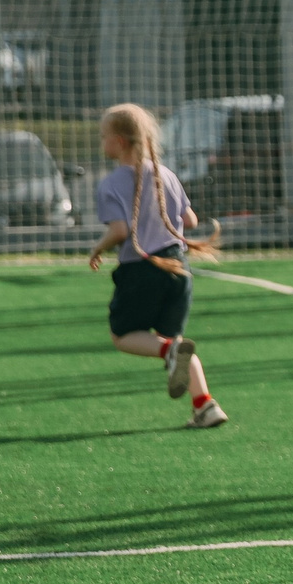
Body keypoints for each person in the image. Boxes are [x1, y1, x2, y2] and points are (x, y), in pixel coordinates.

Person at [87, 102, 228, 429]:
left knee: (123, 335)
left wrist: (97, 249)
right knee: (177, 342)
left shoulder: (110, 184)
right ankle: (205, 405)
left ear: (119, 141)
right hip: (178, 269)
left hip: (143, 269)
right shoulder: (166, 174)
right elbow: (189, 220)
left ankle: (166, 353)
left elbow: (121, 231)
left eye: (103, 135)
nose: (101, 141)